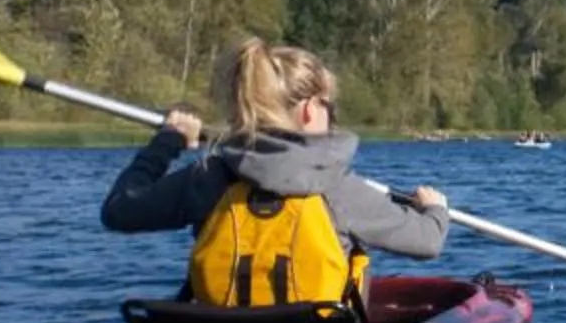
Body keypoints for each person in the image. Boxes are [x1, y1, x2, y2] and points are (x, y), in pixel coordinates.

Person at [103, 36, 452, 308]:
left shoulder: (208, 177)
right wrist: (434, 209)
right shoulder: (338, 189)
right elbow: (427, 242)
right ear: (309, 110)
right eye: (329, 106)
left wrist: (167, 142)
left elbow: (119, 210)